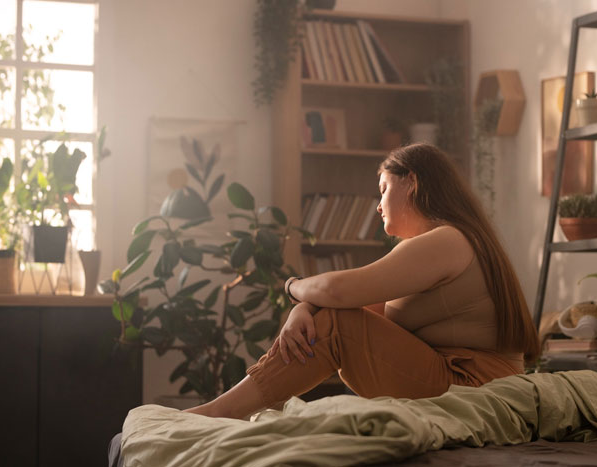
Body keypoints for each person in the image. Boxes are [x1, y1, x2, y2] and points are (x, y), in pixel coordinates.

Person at [184, 142, 540, 420]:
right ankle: (225, 410)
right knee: (333, 320)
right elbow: (350, 303)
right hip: (467, 382)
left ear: (412, 182)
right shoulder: (444, 242)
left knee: (336, 323)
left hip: (473, 387)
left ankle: (221, 412)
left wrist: (291, 287)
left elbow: (336, 292)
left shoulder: (446, 240)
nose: (378, 204)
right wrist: (304, 309)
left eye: (383, 188)